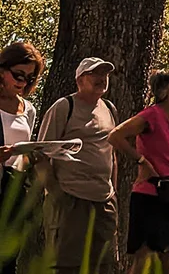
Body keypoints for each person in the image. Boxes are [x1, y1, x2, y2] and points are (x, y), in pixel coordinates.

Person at [37, 57, 120, 274]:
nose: (102, 79)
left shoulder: (110, 109)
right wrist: (57, 194)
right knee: (67, 267)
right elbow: (41, 155)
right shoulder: (65, 107)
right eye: (95, 74)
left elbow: (112, 155)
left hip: (103, 203)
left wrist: (113, 193)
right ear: (80, 79)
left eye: (105, 74)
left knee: (102, 266)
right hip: (71, 200)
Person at [109, 69, 169, 274]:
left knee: (168, 258)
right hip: (149, 194)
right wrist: (142, 160)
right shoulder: (150, 115)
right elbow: (115, 136)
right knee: (144, 258)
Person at [0, 41, 44, 274]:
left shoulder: (29, 109)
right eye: (18, 74)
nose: (22, 82)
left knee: (9, 257)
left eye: (28, 78)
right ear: (2, 70)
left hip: (15, 189)